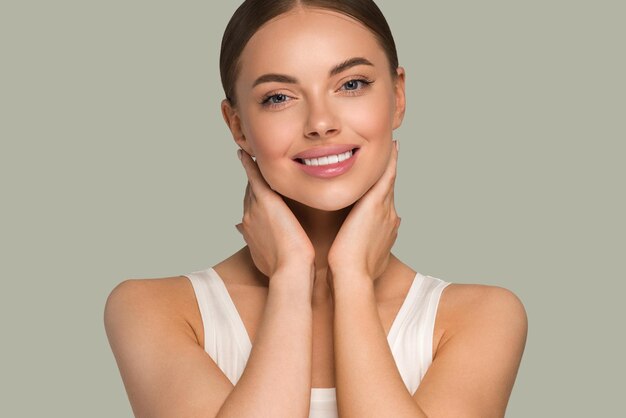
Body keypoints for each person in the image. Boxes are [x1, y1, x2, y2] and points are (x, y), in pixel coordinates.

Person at [104, 0, 528, 417]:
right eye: (279, 97)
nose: (320, 122)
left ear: (398, 96)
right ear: (237, 126)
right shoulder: (155, 310)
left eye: (351, 84)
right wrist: (290, 276)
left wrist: (353, 280)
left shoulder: (481, 317)